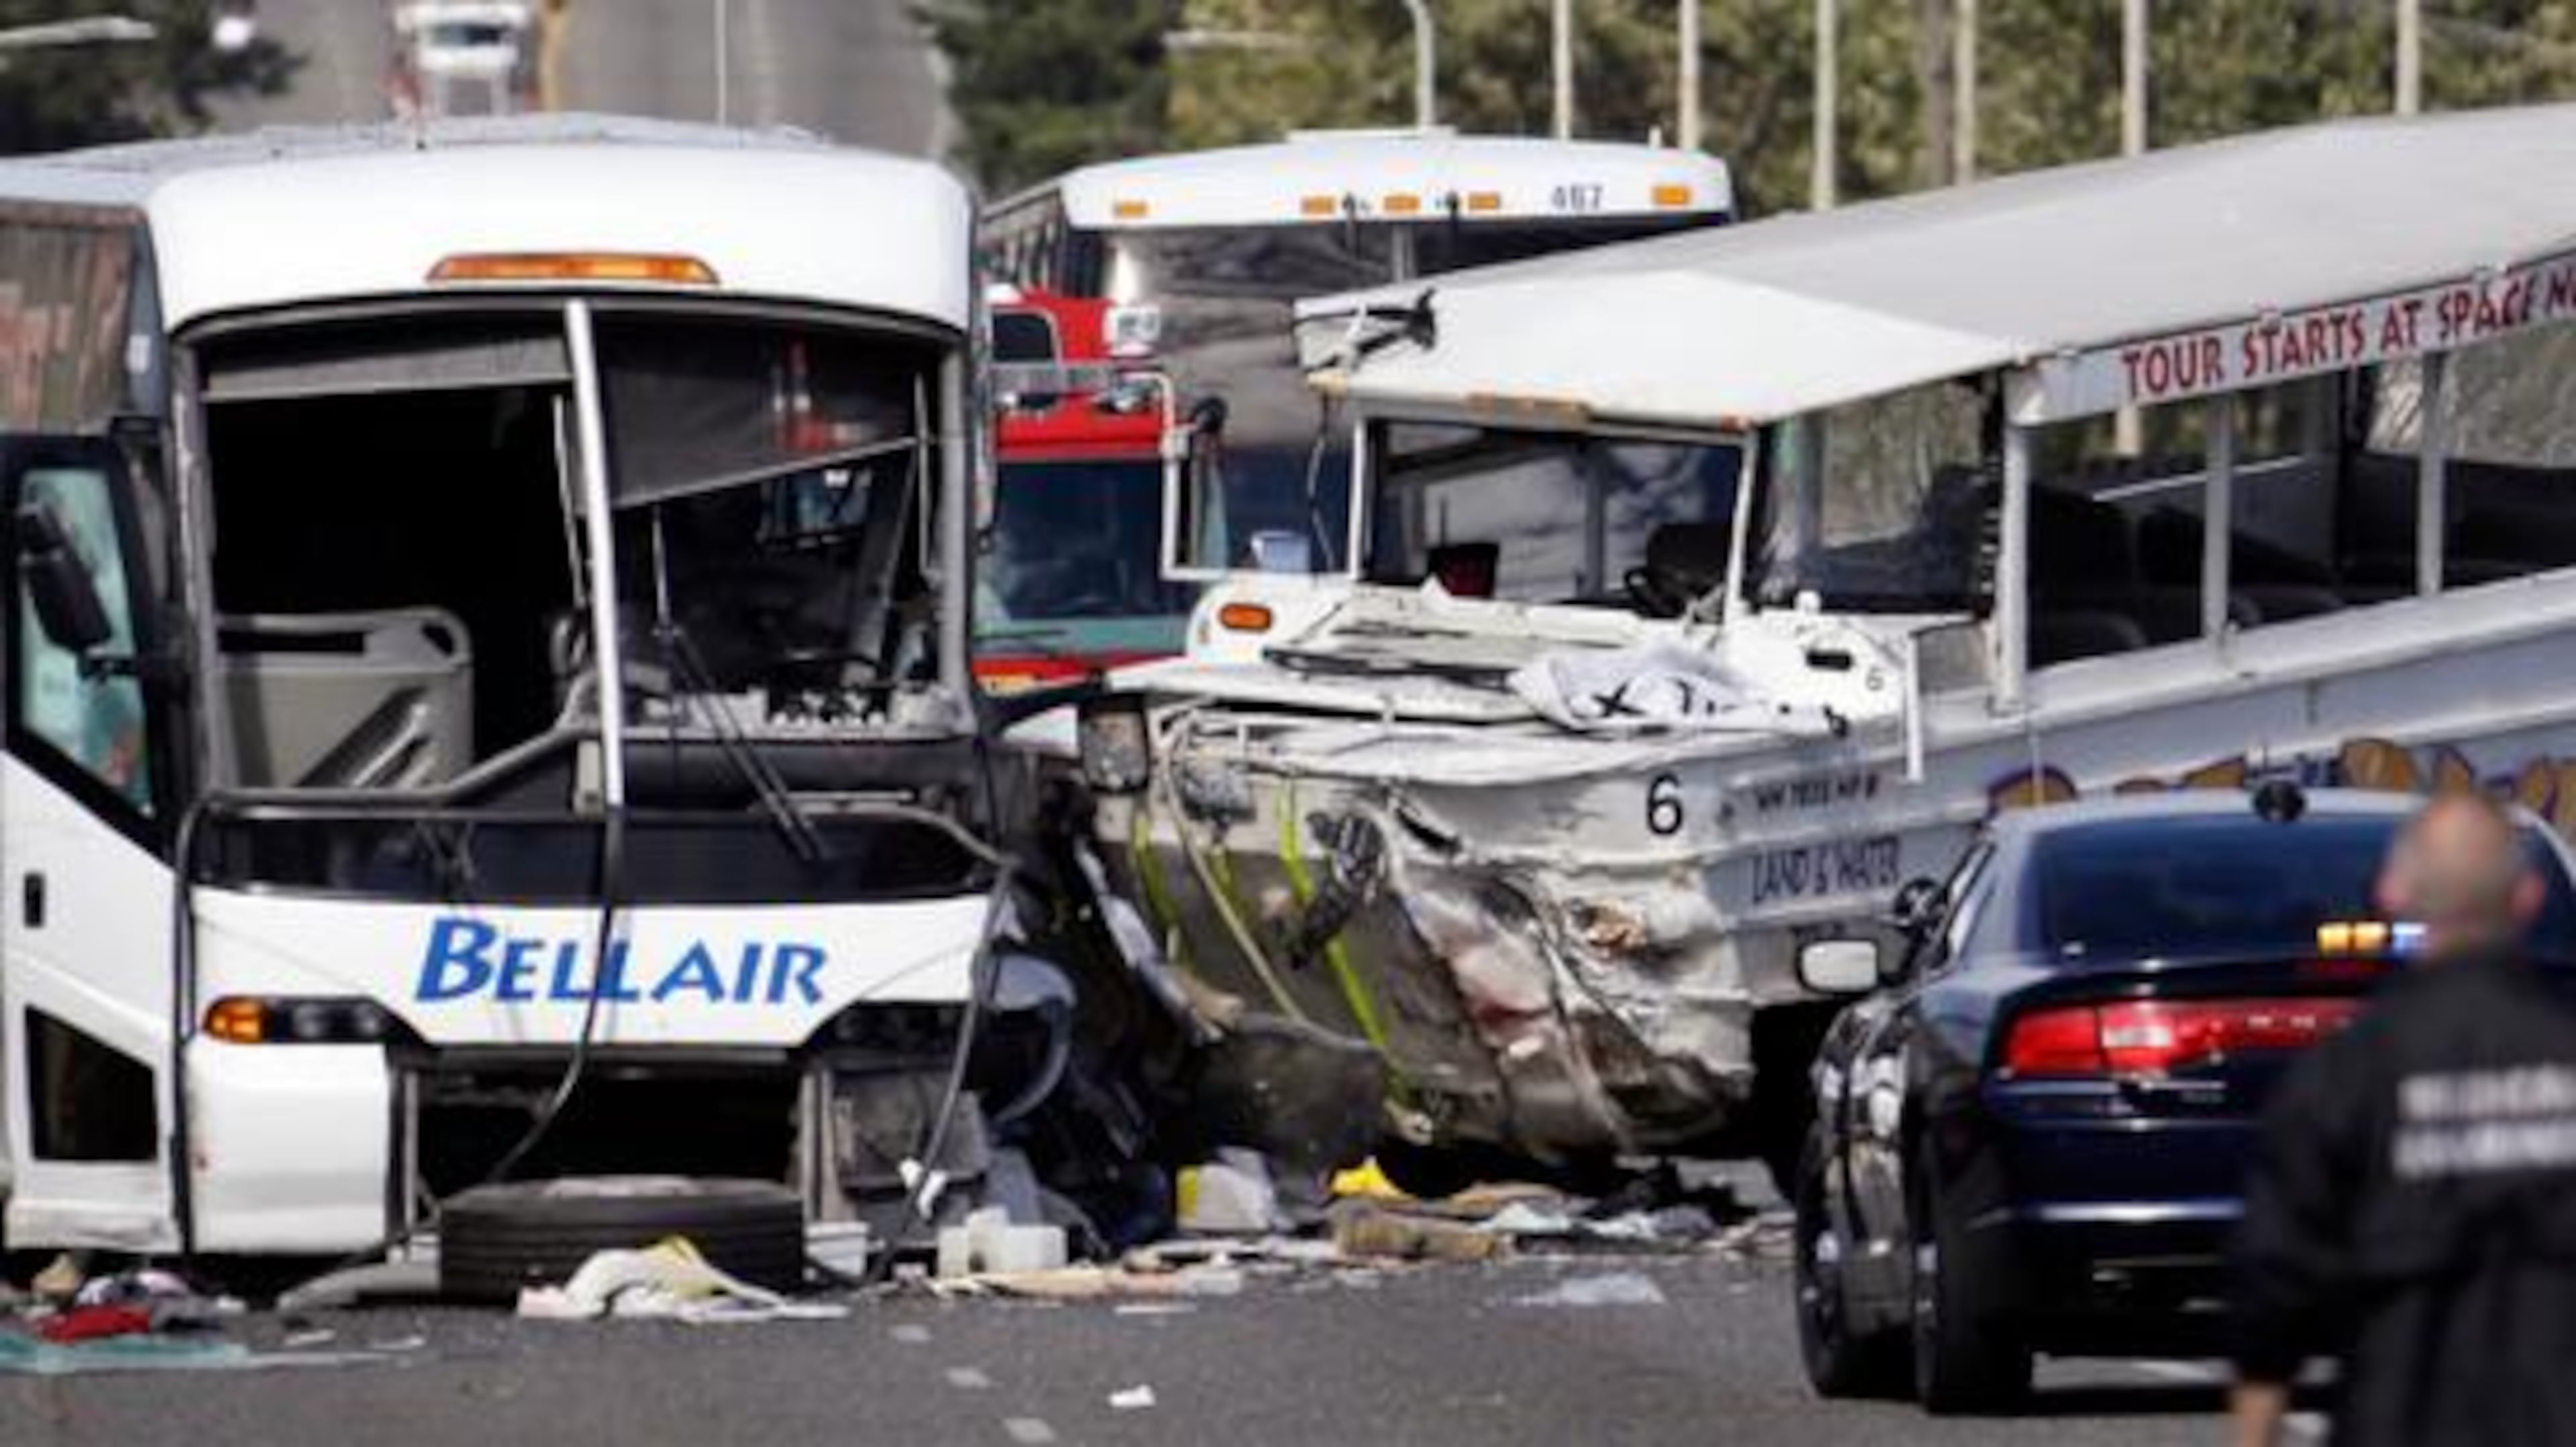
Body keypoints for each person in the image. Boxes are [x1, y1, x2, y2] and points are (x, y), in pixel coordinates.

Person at [2231, 792, 2576, 1446]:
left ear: (2393, 893)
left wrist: (2255, 1433)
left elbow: (2275, 1282)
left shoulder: (2348, 1072)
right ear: (2528, 898)